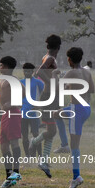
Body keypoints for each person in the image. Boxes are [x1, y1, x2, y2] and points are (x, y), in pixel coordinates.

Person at [54, 47, 95, 188]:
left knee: (75, 145)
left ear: (69, 59)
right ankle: (64, 144)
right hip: (86, 108)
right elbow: (91, 90)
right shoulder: (86, 71)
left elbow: (58, 89)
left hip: (76, 110)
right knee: (57, 114)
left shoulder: (70, 72)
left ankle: (76, 176)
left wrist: (56, 75)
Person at [29, 34, 62, 178]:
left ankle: (44, 161)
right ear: (59, 47)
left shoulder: (47, 57)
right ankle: (34, 141)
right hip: (49, 97)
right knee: (52, 131)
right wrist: (51, 83)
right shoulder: (50, 58)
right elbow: (39, 72)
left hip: (51, 97)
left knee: (51, 130)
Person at [0, 56, 24, 188]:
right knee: (3, 145)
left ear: (7, 67)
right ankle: (9, 174)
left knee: (13, 142)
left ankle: (16, 172)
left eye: (1, 65)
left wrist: (11, 103)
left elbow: (23, 96)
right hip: (5, 115)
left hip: (13, 114)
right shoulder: (3, 79)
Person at [20, 63, 44, 158]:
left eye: (29, 71)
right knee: (24, 136)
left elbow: (46, 92)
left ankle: (40, 155)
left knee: (36, 134)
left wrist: (39, 104)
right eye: (25, 71)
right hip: (23, 113)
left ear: (32, 72)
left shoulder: (38, 82)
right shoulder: (20, 82)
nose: (27, 73)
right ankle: (27, 155)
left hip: (34, 113)